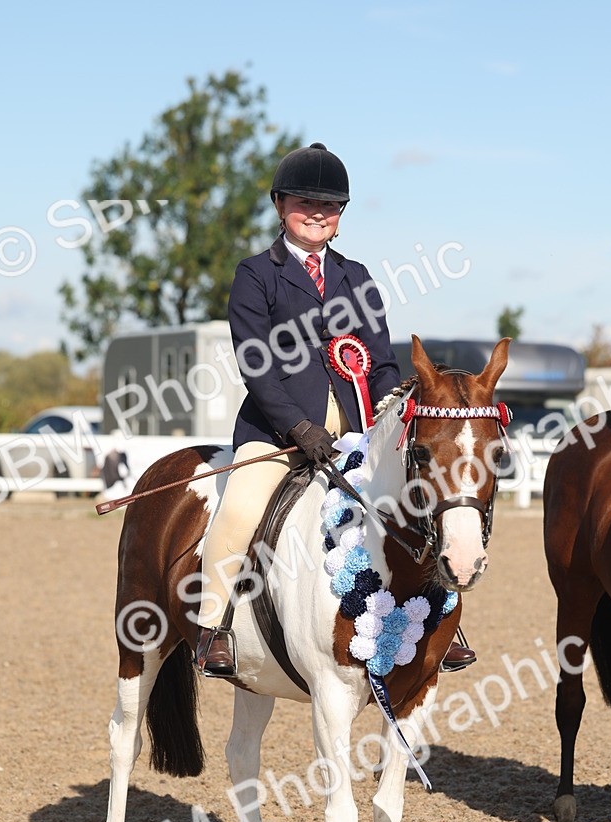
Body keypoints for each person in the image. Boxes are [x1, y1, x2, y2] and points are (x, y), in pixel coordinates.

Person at [194, 141, 476, 677]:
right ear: (280, 205)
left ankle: (443, 620)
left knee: (421, 505)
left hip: (357, 433)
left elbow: (383, 363)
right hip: (277, 433)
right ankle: (215, 628)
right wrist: (298, 427)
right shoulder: (256, 274)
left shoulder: (357, 277)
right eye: (305, 202)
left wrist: (392, 416)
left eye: (329, 205)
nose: (317, 213)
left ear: (341, 214)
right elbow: (255, 366)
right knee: (240, 511)